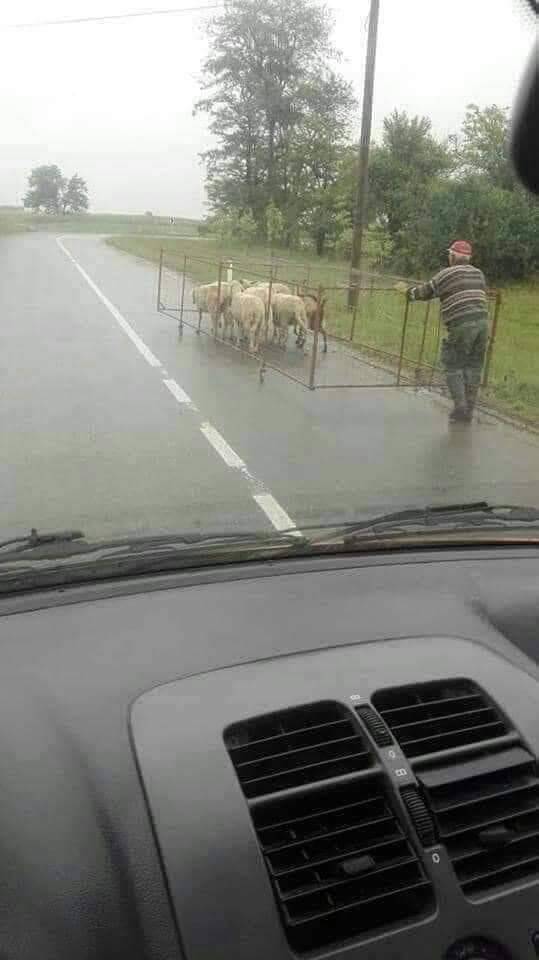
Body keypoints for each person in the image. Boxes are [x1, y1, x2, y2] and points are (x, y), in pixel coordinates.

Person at [407, 240, 489, 423]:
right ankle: (469, 410)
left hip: (462, 324)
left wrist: (409, 293)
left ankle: (460, 407)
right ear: (468, 258)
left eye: (449, 255)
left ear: (452, 256)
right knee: (474, 367)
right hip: (483, 324)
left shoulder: (446, 274)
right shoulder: (478, 273)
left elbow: (426, 292)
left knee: (453, 364)